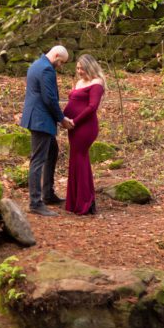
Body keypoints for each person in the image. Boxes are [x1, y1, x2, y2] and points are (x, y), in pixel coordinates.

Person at [20, 44, 72, 217]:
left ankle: (47, 193)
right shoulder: (46, 69)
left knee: (52, 152)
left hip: (37, 118)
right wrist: (62, 119)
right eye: (61, 62)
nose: (61, 65)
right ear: (56, 55)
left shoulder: (36, 64)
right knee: (38, 160)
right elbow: (49, 99)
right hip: (41, 120)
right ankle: (35, 202)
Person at [63, 53, 105, 216]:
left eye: (82, 68)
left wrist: (75, 121)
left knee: (79, 159)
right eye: (78, 68)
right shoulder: (79, 82)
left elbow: (92, 107)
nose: (79, 71)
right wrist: (62, 118)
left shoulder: (97, 83)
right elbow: (72, 103)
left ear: (89, 67)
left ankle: (85, 202)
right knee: (76, 160)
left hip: (85, 127)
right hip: (72, 126)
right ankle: (75, 201)